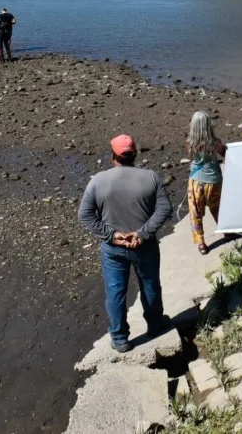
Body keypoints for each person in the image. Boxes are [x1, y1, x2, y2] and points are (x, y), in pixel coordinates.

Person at [77, 135, 173, 353]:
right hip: (144, 244)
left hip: (114, 248)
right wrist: (143, 233)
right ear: (135, 155)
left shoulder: (98, 181)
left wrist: (112, 235)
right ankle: (155, 325)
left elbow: (85, 215)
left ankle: (120, 338)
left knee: (115, 292)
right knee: (149, 285)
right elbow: (164, 209)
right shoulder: (150, 177)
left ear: (113, 156)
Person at [187, 111, 226, 255]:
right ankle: (226, 231)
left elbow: (191, 158)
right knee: (218, 209)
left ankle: (201, 244)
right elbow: (224, 153)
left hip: (196, 181)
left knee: (196, 214)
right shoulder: (215, 143)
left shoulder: (190, 142)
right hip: (214, 180)